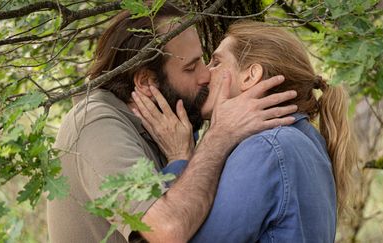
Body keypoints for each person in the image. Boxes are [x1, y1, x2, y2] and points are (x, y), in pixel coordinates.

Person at [47, 3, 298, 243]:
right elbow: (169, 232)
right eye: (190, 68)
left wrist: (182, 156)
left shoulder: (169, 121)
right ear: (146, 82)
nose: (205, 75)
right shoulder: (97, 125)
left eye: (203, 59)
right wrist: (220, 135)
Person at [132, 20, 358, 242]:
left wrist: (179, 157)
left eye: (216, 62)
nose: (205, 74)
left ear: (250, 76)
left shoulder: (266, 148)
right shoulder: (305, 139)